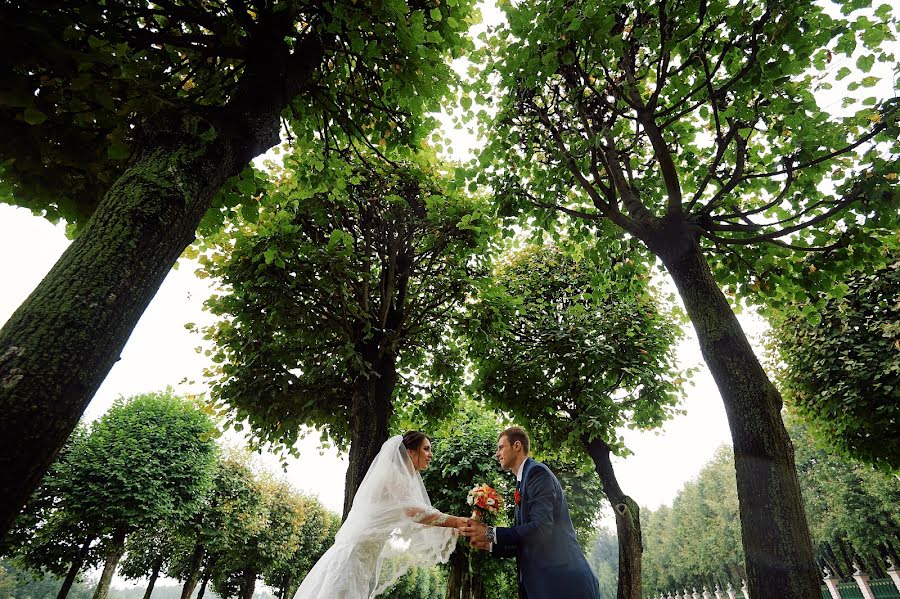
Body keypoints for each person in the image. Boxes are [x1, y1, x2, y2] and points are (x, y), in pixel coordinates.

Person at [295, 431, 465, 599]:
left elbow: (416, 517)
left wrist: (453, 524)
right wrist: (456, 521)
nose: (430, 455)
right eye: (426, 449)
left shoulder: (404, 479)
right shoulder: (393, 474)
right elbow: (414, 512)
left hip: (366, 554)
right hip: (356, 550)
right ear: (411, 452)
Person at [461, 426, 600, 598]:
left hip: (564, 585)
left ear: (517, 446)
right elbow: (526, 541)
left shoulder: (536, 473)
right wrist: (488, 544)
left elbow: (540, 529)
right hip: (544, 587)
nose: (497, 453)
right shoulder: (522, 481)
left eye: (501, 447)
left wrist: (490, 532)